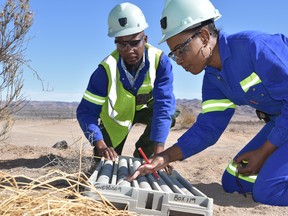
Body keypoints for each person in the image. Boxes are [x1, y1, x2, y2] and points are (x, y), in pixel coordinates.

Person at [126, 0, 288, 206]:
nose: (179, 60)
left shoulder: (254, 47)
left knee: (267, 191)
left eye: (181, 50)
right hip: (282, 121)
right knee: (234, 180)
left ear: (203, 36)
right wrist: (164, 158)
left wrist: (264, 151)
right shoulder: (213, 78)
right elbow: (208, 129)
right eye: (174, 54)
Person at [76, 2, 178, 162]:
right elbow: (86, 111)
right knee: (105, 162)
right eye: (122, 44)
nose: (128, 49)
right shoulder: (105, 70)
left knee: (170, 114)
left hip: (146, 110)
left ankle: (143, 154)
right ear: (115, 42)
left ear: (145, 39)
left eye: (134, 42)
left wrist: (160, 152)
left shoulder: (159, 62)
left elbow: (164, 106)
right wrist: (100, 144)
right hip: (116, 120)